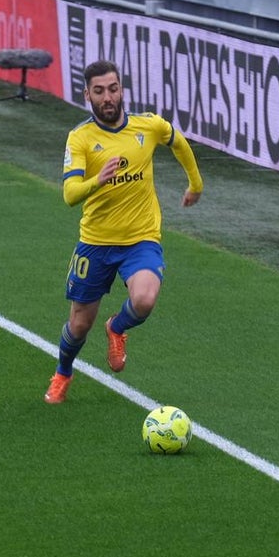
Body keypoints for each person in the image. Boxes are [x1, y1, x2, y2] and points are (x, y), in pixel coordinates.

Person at [44, 60, 203, 404]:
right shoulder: (81, 138)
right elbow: (70, 195)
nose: (108, 97)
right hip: (96, 242)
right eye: (99, 91)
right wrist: (96, 181)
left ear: (121, 89)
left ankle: (117, 327)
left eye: (113, 89)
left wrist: (196, 183)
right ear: (87, 95)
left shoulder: (148, 126)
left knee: (145, 300)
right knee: (79, 325)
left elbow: (177, 141)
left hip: (140, 238)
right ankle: (63, 372)